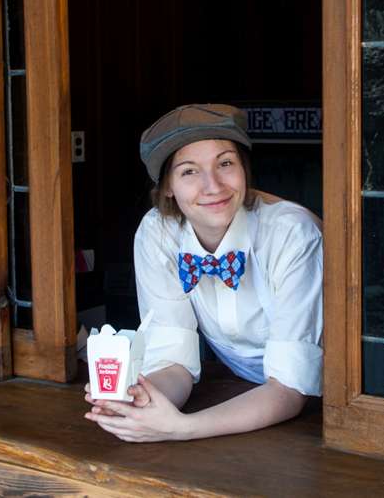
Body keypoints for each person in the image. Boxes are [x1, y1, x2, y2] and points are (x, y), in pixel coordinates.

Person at [84, 103, 323, 442]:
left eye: (225, 163)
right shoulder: (158, 234)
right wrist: (138, 401)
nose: (213, 186)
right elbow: (173, 362)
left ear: (244, 169)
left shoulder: (290, 233)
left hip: (325, 402)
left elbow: (290, 389)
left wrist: (181, 428)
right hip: (242, 398)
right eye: (189, 171)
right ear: (167, 186)